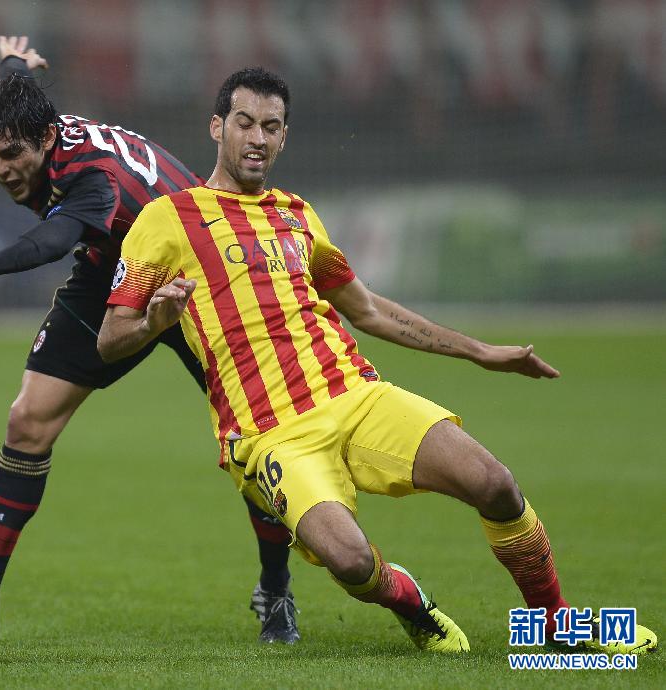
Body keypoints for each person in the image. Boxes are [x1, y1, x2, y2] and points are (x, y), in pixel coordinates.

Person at [97, 67, 658, 654]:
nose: (257, 139)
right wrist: (155, 322)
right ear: (217, 127)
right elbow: (110, 339)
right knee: (350, 561)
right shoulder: (168, 219)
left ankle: (556, 626)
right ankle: (410, 601)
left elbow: (365, 310)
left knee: (494, 484)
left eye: (271, 126)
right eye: (244, 124)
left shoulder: (297, 215)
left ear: (284, 137)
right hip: (271, 435)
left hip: (355, 397)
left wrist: (478, 351)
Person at [0, 38, 300, 646]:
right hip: (111, 266)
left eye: (14, 154)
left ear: (43, 138)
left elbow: (52, 241)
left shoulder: (91, 178)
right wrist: (19, 65)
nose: (5, 168)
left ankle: (275, 591)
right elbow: (19, 93)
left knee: (253, 439)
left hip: (197, 272)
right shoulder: (31, 117)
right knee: (27, 423)